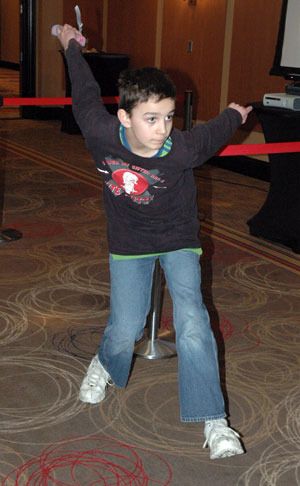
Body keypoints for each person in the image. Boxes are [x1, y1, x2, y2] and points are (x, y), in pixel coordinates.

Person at [57, 24, 252, 460]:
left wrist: (235, 115)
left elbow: (216, 131)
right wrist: (69, 42)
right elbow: (85, 89)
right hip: (128, 240)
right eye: (151, 118)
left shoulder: (182, 147)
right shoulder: (98, 131)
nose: (163, 128)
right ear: (124, 118)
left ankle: (214, 420)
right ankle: (103, 363)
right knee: (125, 326)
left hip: (178, 237)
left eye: (167, 116)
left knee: (193, 321)